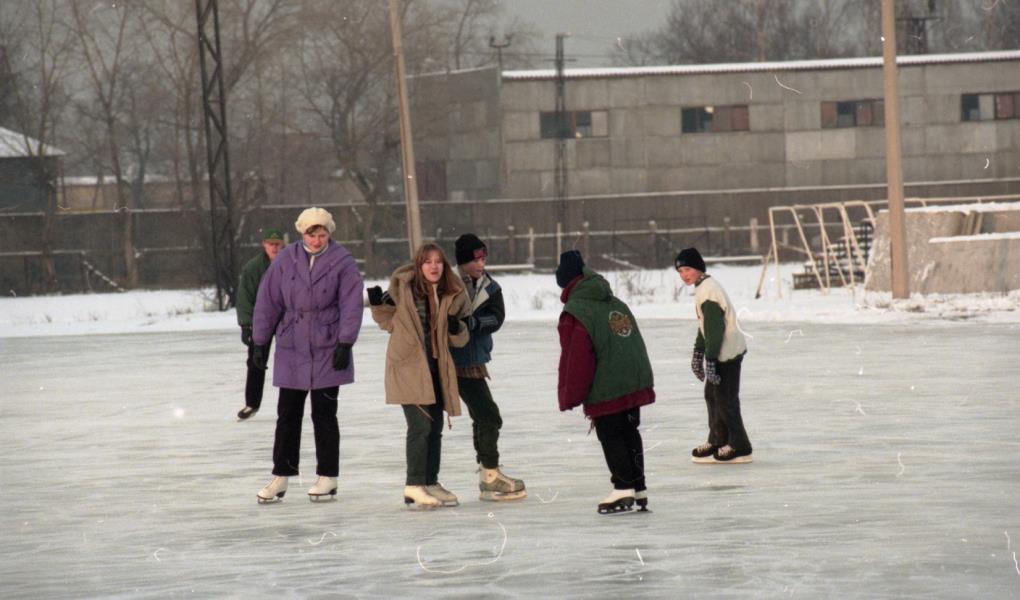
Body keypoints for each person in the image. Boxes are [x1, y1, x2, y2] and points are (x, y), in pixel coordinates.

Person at [251, 207, 364, 503]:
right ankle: (281, 475)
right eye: (311, 234)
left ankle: (327, 476)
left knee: (324, 414)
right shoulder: (285, 259)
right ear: (302, 233)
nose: (316, 240)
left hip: (328, 346)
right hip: (292, 346)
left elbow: (351, 304)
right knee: (287, 414)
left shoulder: (342, 261)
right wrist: (260, 342)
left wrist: (345, 342)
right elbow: (268, 301)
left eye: (322, 234)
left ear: (329, 234)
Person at [368, 243, 470, 509]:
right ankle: (414, 484)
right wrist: (378, 305)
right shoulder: (403, 290)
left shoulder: (452, 292)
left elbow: (461, 336)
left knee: (435, 427)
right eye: (427, 261)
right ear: (418, 265)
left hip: (436, 368)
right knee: (420, 426)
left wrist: (457, 327)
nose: (433, 266)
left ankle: (430, 482)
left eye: (438, 261)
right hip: (408, 367)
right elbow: (388, 322)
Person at [555, 250, 655, 514]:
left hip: (607, 384)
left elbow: (577, 358)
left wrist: (570, 395)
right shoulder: (614, 302)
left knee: (611, 434)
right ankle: (638, 486)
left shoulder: (576, 311)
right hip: (632, 379)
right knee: (629, 431)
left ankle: (622, 488)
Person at [450, 234, 526, 501]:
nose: (481, 264)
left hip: (474, 361)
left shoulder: (490, 287)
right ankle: (489, 473)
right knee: (488, 415)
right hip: (453, 362)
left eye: (483, 259)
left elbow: (497, 317)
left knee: (484, 415)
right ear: (463, 261)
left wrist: (475, 323)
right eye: (475, 260)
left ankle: (487, 471)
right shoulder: (448, 284)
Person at [675, 247, 753, 464]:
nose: (684, 275)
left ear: (699, 268)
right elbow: (705, 327)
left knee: (726, 399)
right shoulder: (703, 287)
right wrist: (698, 352)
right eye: (680, 271)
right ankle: (718, 439)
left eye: (687, 269)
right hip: (719, 352)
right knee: (712, 395)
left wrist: (709, 359)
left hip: (726, 354)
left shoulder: (709, 291)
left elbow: (715, 330)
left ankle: (740, 445)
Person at [235, 228, 285, 421]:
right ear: (264, 244)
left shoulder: (291, 263)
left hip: (287, 319)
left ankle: (295, 399)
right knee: (256, 360)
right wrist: (246, 325)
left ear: (282, 244)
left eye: (277, 244)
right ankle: (252, 403)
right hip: (262, 319)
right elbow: (245, 297)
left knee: (292, 358)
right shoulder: (253, 268)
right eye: (271, 244)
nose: (274, 248)